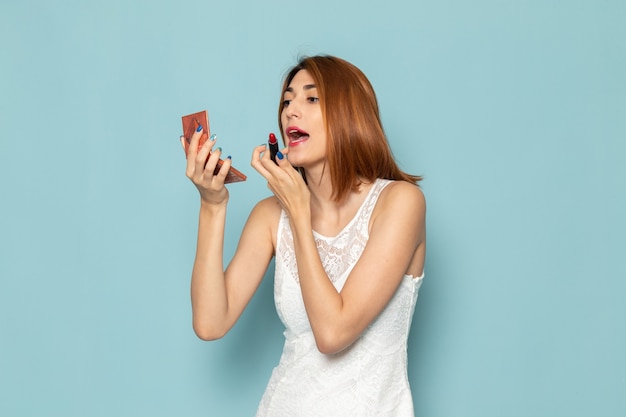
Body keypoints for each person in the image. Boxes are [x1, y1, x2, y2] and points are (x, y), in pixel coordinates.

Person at [180, 55, 426, 416]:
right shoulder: (269, 215)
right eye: (287, 100)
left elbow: (333, 333)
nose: (291, 111)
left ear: (350, 114)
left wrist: (298, 210)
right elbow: (210, 322)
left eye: (311, 98)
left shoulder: (401, 203)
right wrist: (212, 205)